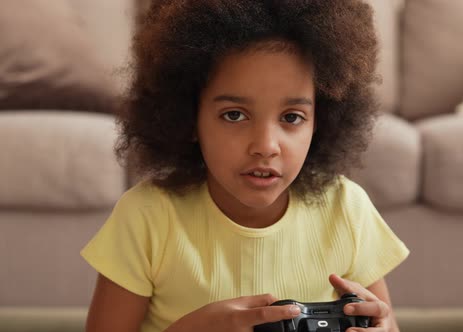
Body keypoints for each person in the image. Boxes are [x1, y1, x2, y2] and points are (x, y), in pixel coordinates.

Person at [81, 0, 410, 331]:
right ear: (188, 118)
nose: (266, 146)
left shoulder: (346, 209)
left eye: (292, 117)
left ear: (321, 122)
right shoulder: (146, 218)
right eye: (234, 115)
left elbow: (387, 324)